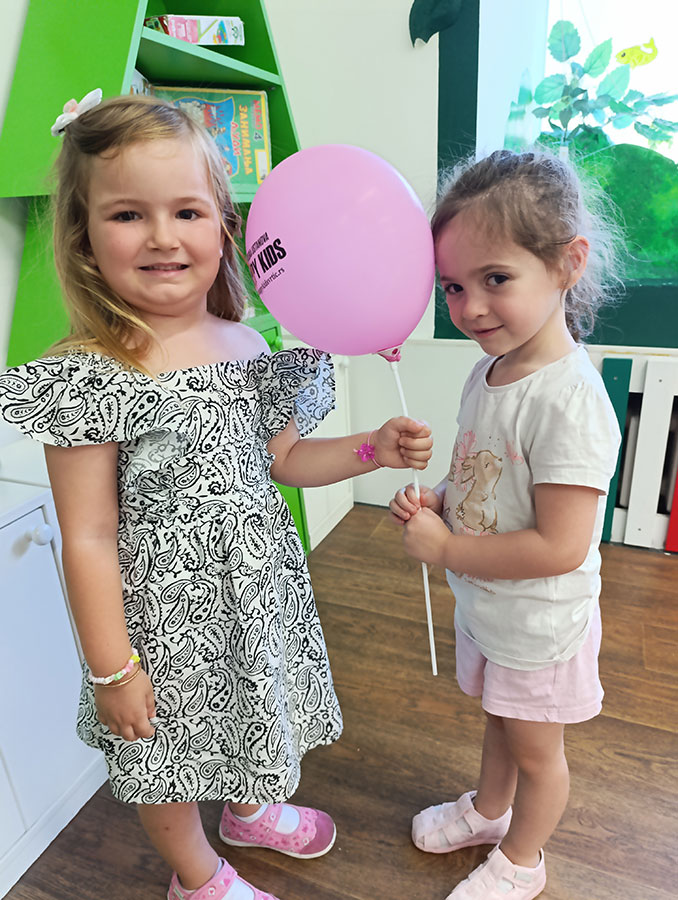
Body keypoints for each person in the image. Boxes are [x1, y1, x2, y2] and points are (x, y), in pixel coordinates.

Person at [0, 93, 432, 900]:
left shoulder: (248, 345)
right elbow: (87, 534)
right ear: (84, 237)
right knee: (163, 758)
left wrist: (372, 448)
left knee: (248, 714)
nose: (163, 236)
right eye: (128, 214)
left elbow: (286, 460)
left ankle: (248, 807)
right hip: (160, 628)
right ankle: (198, 877)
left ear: (224, 229)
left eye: (187, 211)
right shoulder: (89, 374)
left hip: (255, 598)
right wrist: (113, 671)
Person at [389, 149, 622, 900]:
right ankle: (489, 814)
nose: (471, 308)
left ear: (566, 264)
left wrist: (448, 548)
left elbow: (561, 544)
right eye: (454, 286)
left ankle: (523, 860)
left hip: (539, 624)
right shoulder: (489, 371)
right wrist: (440, 500)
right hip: (491, 607)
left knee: (537, 753)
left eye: (496, 279)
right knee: (500, 719)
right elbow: (482, 475)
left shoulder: (569, 401)